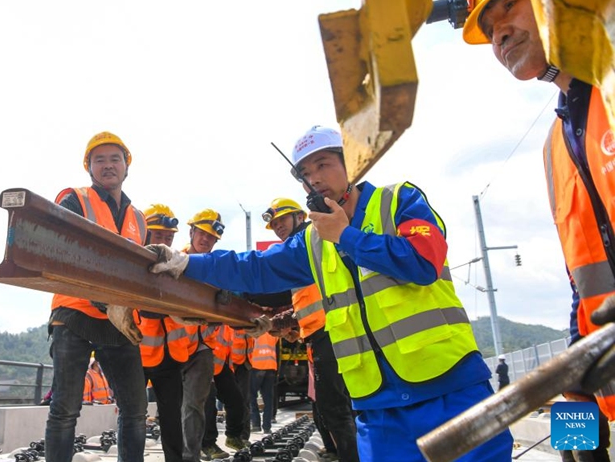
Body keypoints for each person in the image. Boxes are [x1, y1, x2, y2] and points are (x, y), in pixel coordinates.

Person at [148, 125, 513, 461]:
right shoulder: (311, 240)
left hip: (448, 387)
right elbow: (255, 267)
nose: (314, 179)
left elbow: (423, 261)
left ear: (352, 163)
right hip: (378, 407)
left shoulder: (398, 200)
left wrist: (348, 236)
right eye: (306, 174)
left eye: (322, 165)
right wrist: (189, 264)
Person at [463, 0, 615, 460]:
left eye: (509, 5)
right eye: (488, 28)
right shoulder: (556, 142)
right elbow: (583, 279)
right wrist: (576, 406)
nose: (499, 33)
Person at [45, 131, 148, 462]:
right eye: (99, 160)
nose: (108, 165)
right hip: (74, 313)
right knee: (65, 407)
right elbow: (63, 248)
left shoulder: (138, 218)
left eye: (115, 158)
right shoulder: (75, 199)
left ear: (126, 166)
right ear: (88, 167)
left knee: (135, 407)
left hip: (119, 321)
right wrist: (104, 299)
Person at [262, 197, 359, 462]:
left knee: (336, 407)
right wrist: (290, 320)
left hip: (331, 333)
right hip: (319, 334)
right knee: (331, 407)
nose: (278, 226)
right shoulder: (301, 250)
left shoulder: (307, 242)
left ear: (299, 217)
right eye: (274, 224)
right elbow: (310, 298)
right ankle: (342, 453)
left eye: (282, 220)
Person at [137, 203, 188, 462]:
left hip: (172, 356)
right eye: (159, 236)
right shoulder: (134, 264)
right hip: (141, 354)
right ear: (146, 235)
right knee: (134, 413)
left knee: (171, 415)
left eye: (169, 237)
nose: (165, 242)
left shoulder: (177, 266)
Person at [179, 210, 224, 462]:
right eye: (202, 234)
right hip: (174, 343)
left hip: (203, 346)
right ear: (192, 232)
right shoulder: (177, 260)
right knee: (175, 405)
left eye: (211, 237)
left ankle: (190, 456)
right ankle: (175, 454)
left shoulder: (217, 267)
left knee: (195, 405)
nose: (206, 239)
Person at [202, 324, 248, 459]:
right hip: (202, 358)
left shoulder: (227, 317)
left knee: (237, 401)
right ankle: (206, 444)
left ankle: (233, 436)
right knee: (208, 405)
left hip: (220, 363)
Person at [249, 332, 278, 434]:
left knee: (251, 395)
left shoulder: (254, 331)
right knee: (268, 398)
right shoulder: (273, 331)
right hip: (270, 366)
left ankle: (256, 424)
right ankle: (267, 427)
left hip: (257, 366)